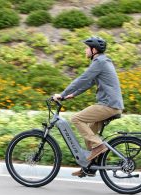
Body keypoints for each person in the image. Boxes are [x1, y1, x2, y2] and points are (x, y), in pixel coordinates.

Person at [53, 36, 124, 177]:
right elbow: (90, 82)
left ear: (94, 50)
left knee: (77, 119)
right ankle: (90, 167)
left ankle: (99, 147)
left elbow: (83, 78)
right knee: (89, 133)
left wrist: (62, 94)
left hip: (108, 105)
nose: (85, 50)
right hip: (111, 104)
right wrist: (73, 94)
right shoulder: (102, 61)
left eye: (87, 48)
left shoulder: (99, 62)